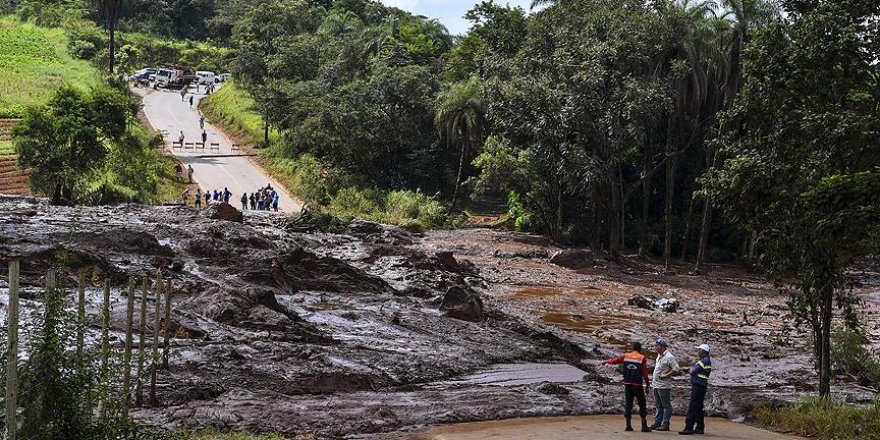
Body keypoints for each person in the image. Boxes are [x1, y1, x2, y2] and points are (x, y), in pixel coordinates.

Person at [604, 342, 652, 433]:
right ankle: (644, 425)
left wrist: (606, 361)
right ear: (640, 349)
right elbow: (645, 373)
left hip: (628, 384)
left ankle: (628, 425)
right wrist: (647, 384)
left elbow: (615, 360)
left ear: (633, 348)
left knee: (628, 404)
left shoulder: (626, 356)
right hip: (637, 385)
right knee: (642, 404)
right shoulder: (641, 358)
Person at [679, 344, 712, 436]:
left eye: (699, 350)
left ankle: (688, 427)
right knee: (698, 407)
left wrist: (689, 371)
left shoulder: (703, 361)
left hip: (698, 385)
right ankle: (700, 427)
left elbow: (693, 371)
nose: (698, 352)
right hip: (701, 385)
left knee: (693, 406)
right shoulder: (706, 360)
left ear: (703, 351)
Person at [651, 338, 680, 431]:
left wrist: (666, 375)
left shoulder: (669, 357)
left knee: (666, 405)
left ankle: (665, 423)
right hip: (656, 384)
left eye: (657, 345)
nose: (655, 347)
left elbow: (676, 368)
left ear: (662, 347)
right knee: (658, 405)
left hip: (663, 386)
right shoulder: (659, 355)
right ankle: (657, 422)